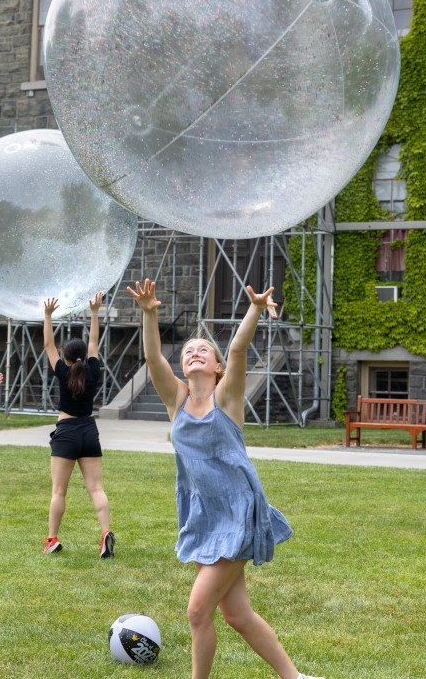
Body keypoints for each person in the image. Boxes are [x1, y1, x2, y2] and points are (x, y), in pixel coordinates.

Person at [127, 279, 323, 679]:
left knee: (197, 610)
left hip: (238, 512)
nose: (194, 353)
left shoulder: (227, 399)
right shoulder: (176, 401)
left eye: (203, 350)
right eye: (187, 351)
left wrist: (253, 309)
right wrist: (150, 314)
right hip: (204, 517)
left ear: (216, 367)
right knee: (237, 614)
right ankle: (296, 678)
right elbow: (152, 358)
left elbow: (237, 349)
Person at [41, 291, 115, 558]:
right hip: (89, 431)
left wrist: (48, 315)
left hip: (66, 433)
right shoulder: (93, 370)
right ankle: (105, 533)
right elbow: (94, 340)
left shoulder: (62, 372)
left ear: (66, 358)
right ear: (84, 356)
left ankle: (52, 540)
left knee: (59, 491)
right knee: (96, 488)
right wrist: (95, 311)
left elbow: (49, 345)